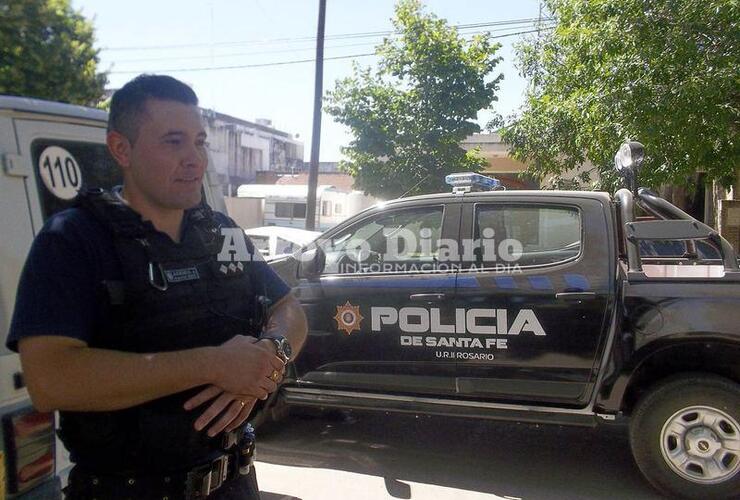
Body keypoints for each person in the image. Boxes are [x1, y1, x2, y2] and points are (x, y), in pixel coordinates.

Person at [7, 74, 308, 499]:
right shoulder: (73, 240)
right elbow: (49, 379)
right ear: (121, 149)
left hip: (234, 482)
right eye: (173, 142)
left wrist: (270, 355)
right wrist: (212, 364)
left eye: (199, 141)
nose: (195, 158)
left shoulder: (219, 232)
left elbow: (289, 307)